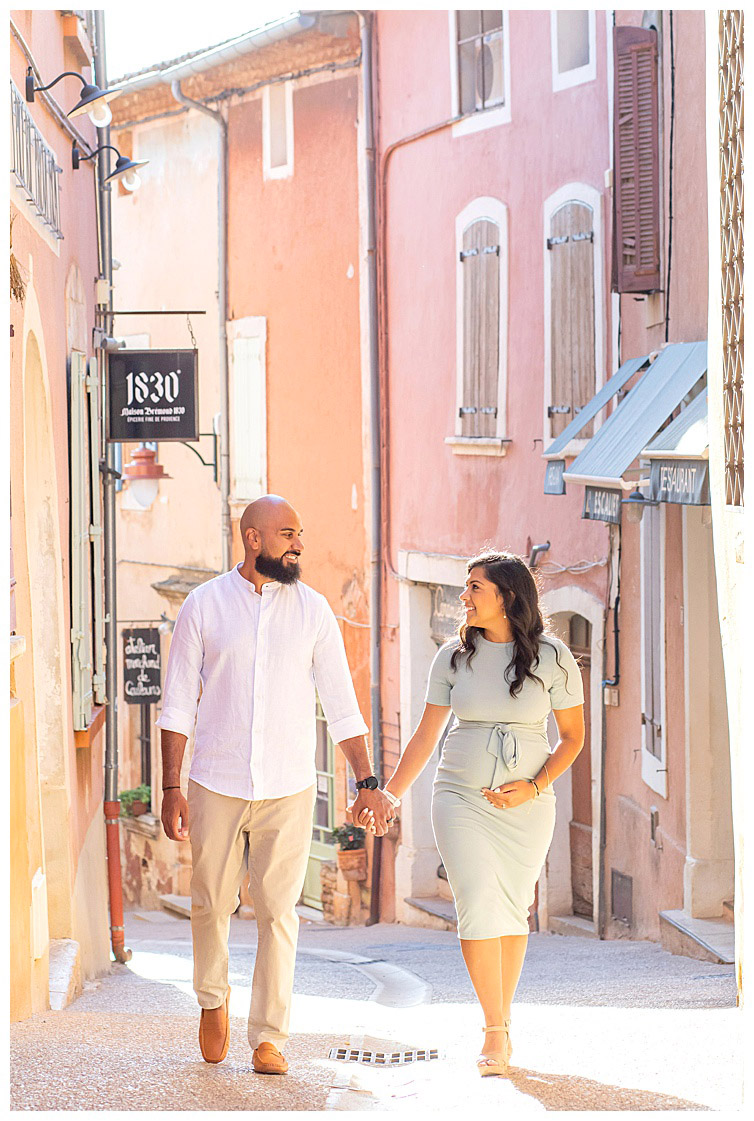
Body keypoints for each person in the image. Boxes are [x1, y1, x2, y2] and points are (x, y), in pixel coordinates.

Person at [158, 494, 393, 1074]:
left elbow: (341, 703)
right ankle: (213, 999)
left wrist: (365, 779)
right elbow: (176, 704)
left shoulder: (313, 612)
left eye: (300, 534)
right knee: (211, 901)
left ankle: (269, 1036)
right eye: (288, 534)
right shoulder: (203, 605)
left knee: (278, 911)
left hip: (288, 785)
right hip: (216, 778)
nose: (299, 545)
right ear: (254, 539)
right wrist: (170, 787)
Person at [356, 551, 584, 1076]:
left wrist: (534, 785)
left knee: (512, 908)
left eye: (475, 587)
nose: (464, 596)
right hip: (458, 797)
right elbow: (424, 735)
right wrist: (390, 793)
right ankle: (494, 1031)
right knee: (478, 903)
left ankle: (501, 1021)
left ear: (507, 596)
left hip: (527, 804)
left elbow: (572, 738)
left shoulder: (552, 657)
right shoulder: (451, 658)